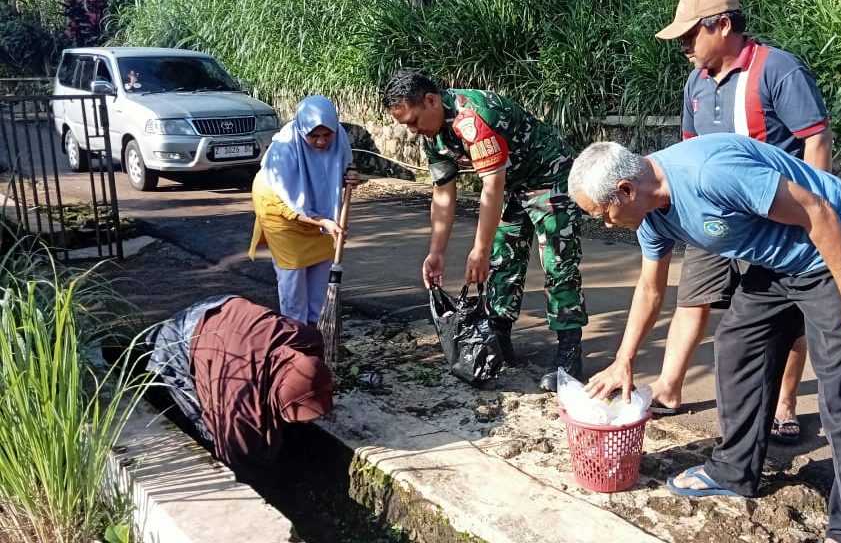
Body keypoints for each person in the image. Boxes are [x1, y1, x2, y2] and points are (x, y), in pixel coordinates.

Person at [569, 136, 841, 543]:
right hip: (774, 263)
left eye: (603, 214)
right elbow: (650, 289)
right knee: (739, 347)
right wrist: (624, 359)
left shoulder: (710, 174)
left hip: (837, 244)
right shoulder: (651, 214)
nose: (605, 224)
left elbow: (818, 211)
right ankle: (735, 469)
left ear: (625, 191)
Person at [646, 0, 834, 442]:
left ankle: (784, 404)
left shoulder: (778, 70)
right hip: (713, 213)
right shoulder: (697, 82)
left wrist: (813, 211)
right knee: (694, 295)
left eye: (691, 35)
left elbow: (816, 138)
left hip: (774, 213)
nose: (685, 47)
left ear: (723, 25)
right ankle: (669, 387)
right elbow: (691, 150)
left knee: (789, 313)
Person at [380, 69, 587, 391]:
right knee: (503, 260)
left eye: (412, 120)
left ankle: (569, 351)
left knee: (558, 262)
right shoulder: (433, 135)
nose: (411, 130)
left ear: (431, 100)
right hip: (511, 184)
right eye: (405, 124)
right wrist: (436, 253)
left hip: (548, 178)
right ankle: (500, 339)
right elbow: (443, 194)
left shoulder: (473, 119)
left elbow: (491, 186)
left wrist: (478, 249)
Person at [143, 295, 334, 479]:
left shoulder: (309, 342)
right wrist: (259, 483)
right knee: (208, 430)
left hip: (228, 313)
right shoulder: (238, 396)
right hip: (180, 342)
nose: (306, 423)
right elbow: (235, 448)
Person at [249, 95, 357, 325]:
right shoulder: (283, 150)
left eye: (327, 135)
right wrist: (324, 222)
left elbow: (344, 172)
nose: (321, 142)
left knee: (322, 266)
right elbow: (292, 204)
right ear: (301, 130)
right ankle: (294, 331)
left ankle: (317, 328)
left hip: (320, 212)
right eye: (314, 136)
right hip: (280, 209)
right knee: (293, 274)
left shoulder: (339, 137)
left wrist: (351, 178)